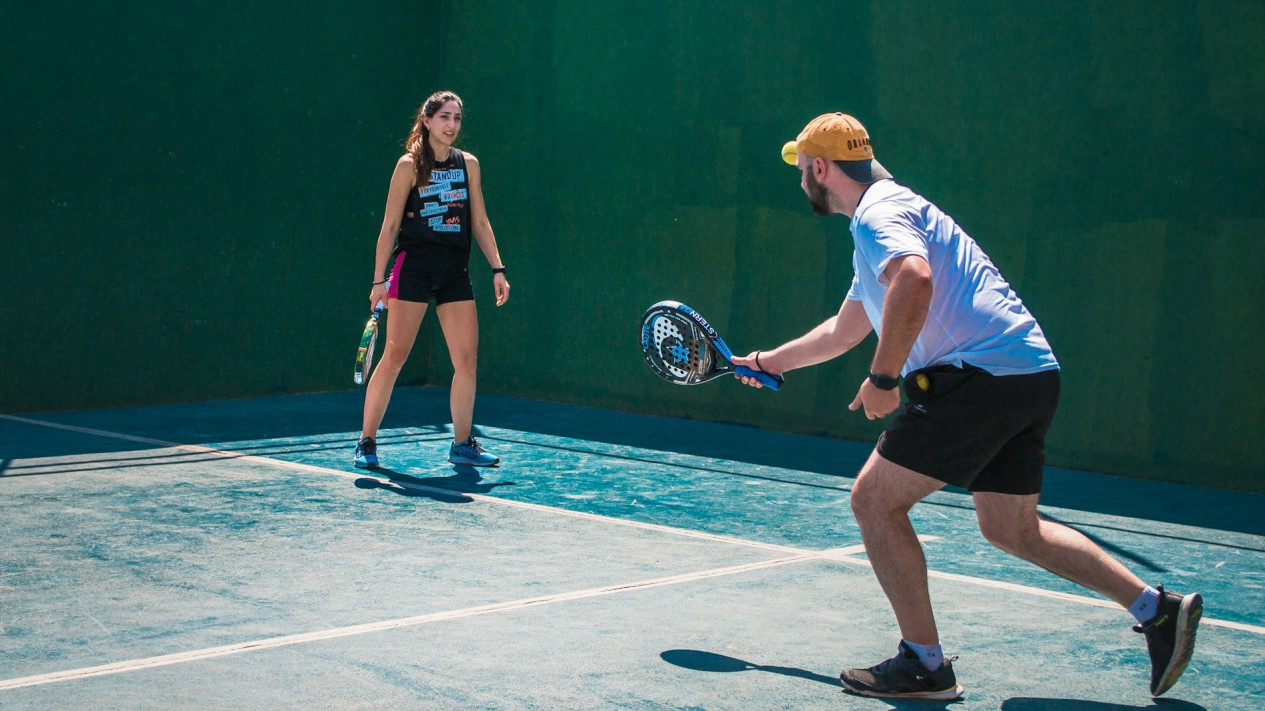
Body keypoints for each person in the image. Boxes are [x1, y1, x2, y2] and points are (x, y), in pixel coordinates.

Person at [732, 113, 1201, 700]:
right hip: (1028, 375)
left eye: (802, 167)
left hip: (979, 378)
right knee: (1011, 528)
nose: (800, 177)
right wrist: (769, 360)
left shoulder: (878, 216)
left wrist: (884, 378)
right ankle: (1157, 610)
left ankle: (924, 665)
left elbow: (915, 280)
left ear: (821, 169)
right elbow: (845, 329)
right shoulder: (891, 215)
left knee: (873, 502)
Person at [354, 91, 510, 470]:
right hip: (414, 270)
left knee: (467, 361)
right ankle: (366, 441)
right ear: (427, 120)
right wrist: (378, 282)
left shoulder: (468, 164)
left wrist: (498, 268)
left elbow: (480, 221)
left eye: (457, 118)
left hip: (454, 271)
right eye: (444, 117)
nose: (451, 125)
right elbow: (390, 226)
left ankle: (462, 443)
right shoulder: (409, 165)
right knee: (395, 357)